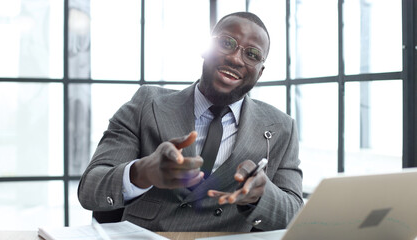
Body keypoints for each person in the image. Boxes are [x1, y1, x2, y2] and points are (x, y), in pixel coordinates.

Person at [78, 11, 303, 232]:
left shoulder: (281, 128)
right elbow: (90, 189)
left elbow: (295, 214)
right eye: (226, 43)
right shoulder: (146, 104)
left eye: (252, 54)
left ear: (260, 72)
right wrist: (142, 172)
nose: (235, 58)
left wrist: (261, 196)